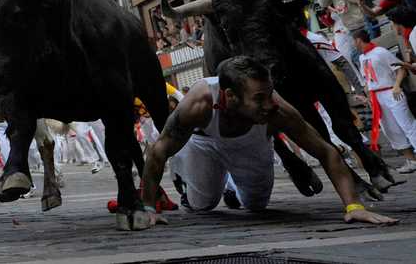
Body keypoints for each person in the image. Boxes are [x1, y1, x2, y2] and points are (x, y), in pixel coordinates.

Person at [137, 56, 397, 229]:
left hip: (251, 145)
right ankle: (194, 181)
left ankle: (232, 186)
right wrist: (148, 206)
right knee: (202, 205)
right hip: (204, 145)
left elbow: (326, 152)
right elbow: (159, 151)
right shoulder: (198, 103)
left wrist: (354, 206)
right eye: (260, 98)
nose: (269, 103)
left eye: (270, 93)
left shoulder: (277, 110)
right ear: (229, 96)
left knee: (256, 205)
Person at [353, 29, 416, 173]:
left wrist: (396, 86)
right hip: (377, 98)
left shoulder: (380, 52)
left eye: (353, 41)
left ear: (358, 40)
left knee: (407, 124)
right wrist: (367, 98)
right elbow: (368, 81)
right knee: (390, 129)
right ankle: (411, 160)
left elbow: (400, 68)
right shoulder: (362, 58)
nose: (353, 44)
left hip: (391, 92)